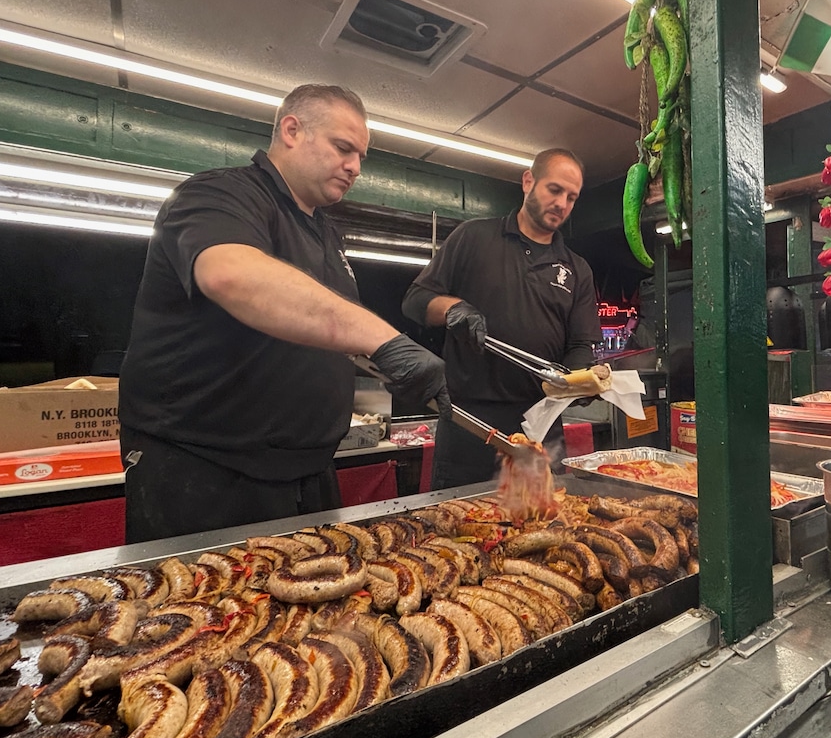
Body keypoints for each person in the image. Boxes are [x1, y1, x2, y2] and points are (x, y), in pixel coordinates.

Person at [119, 84, 450, 543]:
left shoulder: (326, 235)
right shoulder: (219, 193)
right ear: (292, 130)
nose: (355, 167)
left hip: (307, 470)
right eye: (343, 148)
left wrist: (392, 368)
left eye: (361, 156)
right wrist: (385, 340)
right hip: (206, 471)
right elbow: (231, 275)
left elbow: (323, 328)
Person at [401, 148, 602, 489]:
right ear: (528, 181)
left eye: (572, 197)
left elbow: (581, 343)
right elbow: (415, 301)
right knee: (458, 525)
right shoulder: (473, 237)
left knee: (544, 528)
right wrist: (453, 309)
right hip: (468, 421)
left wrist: (577, 381)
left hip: (539, 424)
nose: (562, 204)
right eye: (555, 190)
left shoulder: (576, 268)